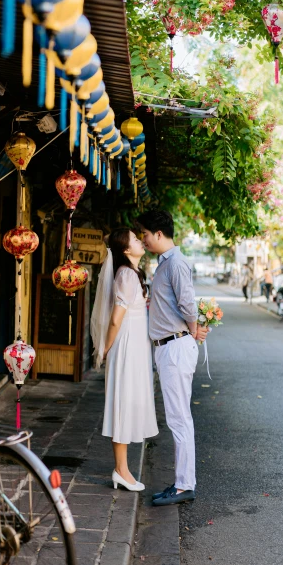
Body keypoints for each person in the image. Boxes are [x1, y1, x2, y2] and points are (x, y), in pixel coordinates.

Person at [137, 209, 209, 507]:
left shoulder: (175, 264)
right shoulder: (164, 264)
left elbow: (188, 304)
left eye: (144, 234)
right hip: (169, 347)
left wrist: (194, 331)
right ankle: (182, 482)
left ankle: (184, 486)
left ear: (158, 233)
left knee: (179, 419)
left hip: (176, 346)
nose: (143, 240)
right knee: (178, 418)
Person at [91, 228, 158, 492]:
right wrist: (105, 348)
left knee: (126, 403)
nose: (140, 241)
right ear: (126, 250)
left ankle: (122, 468)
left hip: (133, 346)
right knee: (123, 404)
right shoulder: (127, 275)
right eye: (134, 239)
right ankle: (120, 469)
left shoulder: (130, 273)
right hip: (127, 346)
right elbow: (116, 318)